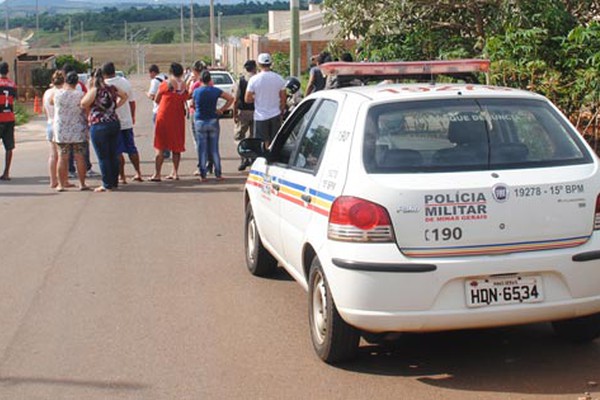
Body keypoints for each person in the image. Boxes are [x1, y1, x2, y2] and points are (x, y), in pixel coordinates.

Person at [81, 68, 128, 192]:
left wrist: (90, 89)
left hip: (99, 124)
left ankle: (107, 183)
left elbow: (84, 103)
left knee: (103, 156)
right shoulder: (112, 88)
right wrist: (114, 107)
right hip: (113, 122)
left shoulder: (95, 90)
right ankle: (114, 181)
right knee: (113, 154)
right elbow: (124, 96)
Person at [102, 62, 143, 183]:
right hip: (126, 120)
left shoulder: (105, 85)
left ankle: (122, 176)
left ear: (104, 73)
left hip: (112, 121)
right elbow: (132, 102)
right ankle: (138, 172)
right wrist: (132, 116)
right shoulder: (125, 82)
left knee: (117, 150)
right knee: (131, 148)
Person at [51, 71, 89, 192]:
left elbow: (51, 102)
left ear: (66, 80)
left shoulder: (57, 94)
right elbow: (86, 109)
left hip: (62, 129)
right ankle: (82, 183)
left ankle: (61, 184)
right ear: (77, 82)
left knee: (63, 157)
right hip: (78, 129)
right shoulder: (81, 95)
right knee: (79, 157)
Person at [193, 69, 234, 181]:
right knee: (214, 148)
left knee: (202, 149)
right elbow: (230, 98)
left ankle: (203, 174)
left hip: (200, 120)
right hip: (213, 119)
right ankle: (218, 173)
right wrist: (221, 110)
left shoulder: (196, 91)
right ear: (210, 79)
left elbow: (192, 104)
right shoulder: (215, 90)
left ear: (200, 80)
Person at [151, 62, 188, 181]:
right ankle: (175, 172)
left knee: (160, 146)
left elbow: (157, 99)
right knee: (176, 146)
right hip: (178, 117)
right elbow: (186, 98)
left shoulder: (165, 84)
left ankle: (157, 174)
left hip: (164, 116)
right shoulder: (184, 86)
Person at [62, 63, 98, 178]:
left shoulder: (60, 90)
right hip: (80, 120)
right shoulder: (81, 87)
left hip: (65, 122)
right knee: (82, 148)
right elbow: (87, 102)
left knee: (67, 149)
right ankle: (86, 169)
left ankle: (70, 170)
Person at [244, 53, 286, 148]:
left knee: (262, 144)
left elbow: (247, 99)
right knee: (274, 142)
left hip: (260, 116)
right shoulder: (279, 79)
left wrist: (257, 97)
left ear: (259, 64)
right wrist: (281, 110)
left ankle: (264, 159)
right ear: (271, 64)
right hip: (275, 114)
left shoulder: (254, 79)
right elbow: (283, 98)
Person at [43, 70, 65, 189]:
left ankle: (53, 180)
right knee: (62, 155)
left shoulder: (47, 93)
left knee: (53, 155)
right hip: (59, 124)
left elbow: (44, 110)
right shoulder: (61, 93)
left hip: (50, 123)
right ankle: (63, 180)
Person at [233, 59, 256, 171]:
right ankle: (252, 157)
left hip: (243, 112)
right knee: (254, 136)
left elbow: (236, 99)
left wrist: (234, 114)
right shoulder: (258, 79)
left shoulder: (241, 81)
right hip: (257, 112)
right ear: (255, 68)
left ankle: (244, 157)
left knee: (239, 136)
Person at [147, 64, 170, 159]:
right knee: (167, 132)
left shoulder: (155, 81)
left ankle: (161, 153)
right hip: (167, 108)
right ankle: (167, 151)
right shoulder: (165, 78)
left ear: (153, 72)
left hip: (158, 110)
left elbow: (152, 96)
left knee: (159, 133)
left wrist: (147, 94)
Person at [0, 62, 16, 181]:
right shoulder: (12, 84)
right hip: (9, 117)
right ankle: (6, 172)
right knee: (9, 146)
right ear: (8, 71)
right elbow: (13, 99)